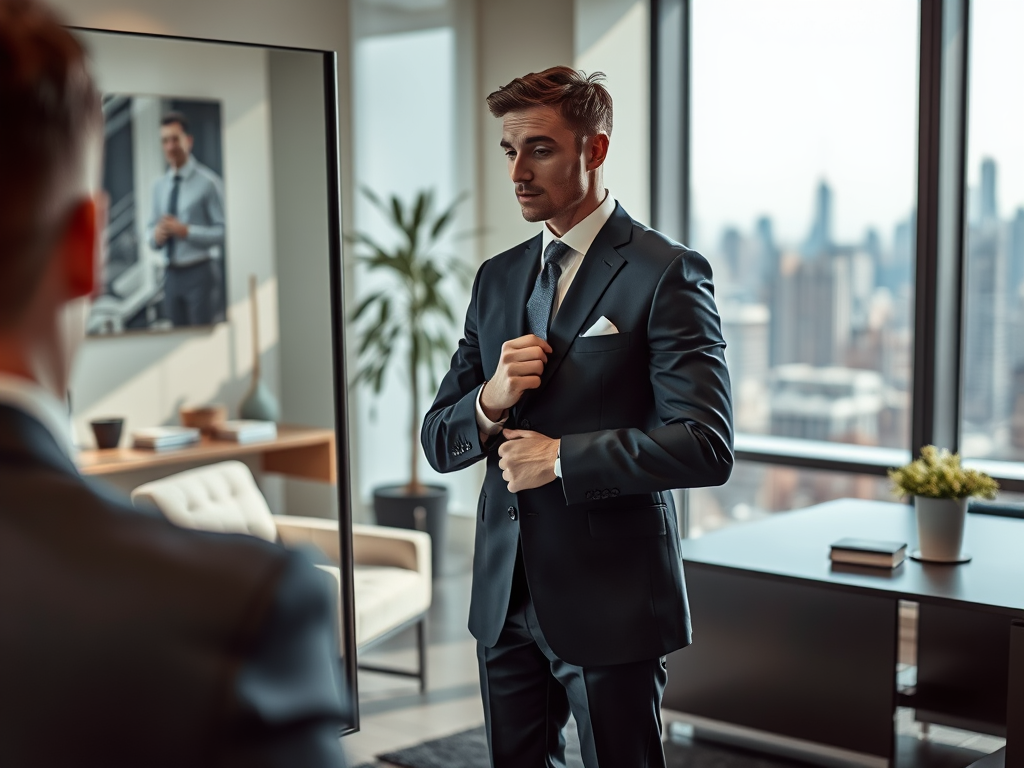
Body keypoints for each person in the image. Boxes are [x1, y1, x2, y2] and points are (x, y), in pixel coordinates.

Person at [0, 2, 348, 765]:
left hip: (195, 283)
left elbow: (215, 234)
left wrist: (183, 236)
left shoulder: (207, 186)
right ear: (86, 245)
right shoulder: (231, 617)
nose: (170, 142)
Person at [422, 66, 734, 767]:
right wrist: (490, 399)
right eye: (509, 150)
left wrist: (560, 458)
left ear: (594, 151)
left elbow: (705, 444)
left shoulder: (667, 272)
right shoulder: (497, 277)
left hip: (611, 597)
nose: (517, 172)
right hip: (504, 598)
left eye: (539, 149)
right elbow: (439, 441)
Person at [147, 110, 226, 326]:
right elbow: (149, 231)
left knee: (201, 342)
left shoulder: (208, 183)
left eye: (175, 139)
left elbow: (222, 232)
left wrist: (186, 231)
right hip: (171, 276)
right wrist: (156, 236)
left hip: (200, 273)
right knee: (176, 342)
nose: (170, 146)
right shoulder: (159, 186)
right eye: (165, 141)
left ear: (188, 141)